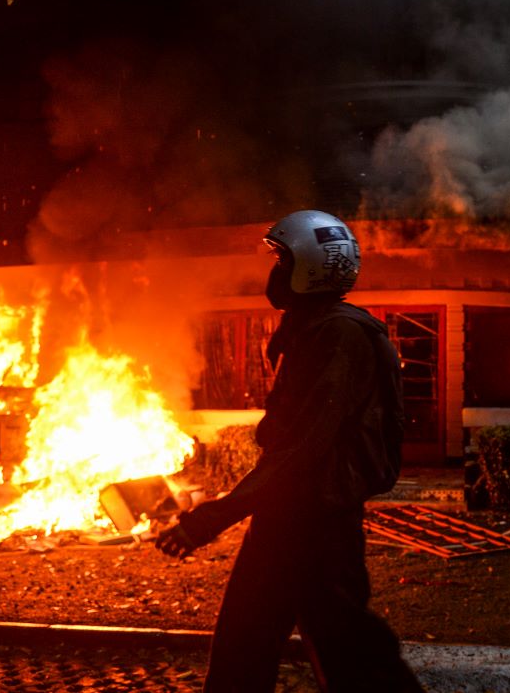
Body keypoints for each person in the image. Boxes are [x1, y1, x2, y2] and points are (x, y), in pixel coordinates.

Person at [157, 210, 424, 693]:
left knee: (351, 653)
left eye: (282, 262)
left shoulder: (338, 336)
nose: (273, 273)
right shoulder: (314, 328)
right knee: (244, 643)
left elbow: (301, 448)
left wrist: (211, 517)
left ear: (310, 269)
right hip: (286, 519)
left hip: (319, 527)